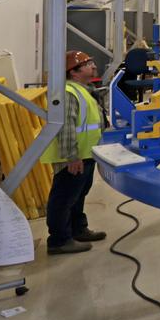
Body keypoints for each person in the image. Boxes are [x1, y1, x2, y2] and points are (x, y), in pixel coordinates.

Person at [41, 51, 108, 255]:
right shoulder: (68, 92)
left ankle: (78, 229)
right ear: (74, 71)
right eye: (88, 64)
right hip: (73, 157)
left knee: (78, 195)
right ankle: (59, 240)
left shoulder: (83, 89)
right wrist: (72, 156)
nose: (94, 66)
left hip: (86, 154)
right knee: (64, 198)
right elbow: (66, 126)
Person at [117, 38, 153, 103]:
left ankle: (131, 98)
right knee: (123, 77)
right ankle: (129, 100)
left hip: (136, 74)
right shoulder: (134, 54)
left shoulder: (140, 53)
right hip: (132, 74)